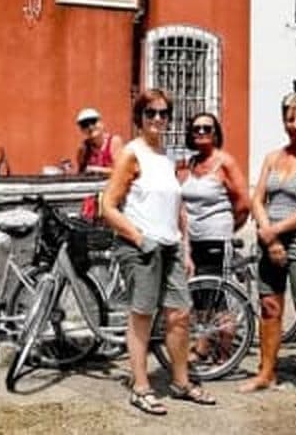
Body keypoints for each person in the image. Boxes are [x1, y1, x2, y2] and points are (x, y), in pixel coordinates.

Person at [102, 88, 216, 416]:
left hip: (170, 247)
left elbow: (177, 206)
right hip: (141, 248)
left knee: (180, 314)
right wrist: (138, 237)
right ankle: (140, 387)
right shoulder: (131, 154)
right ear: (139, 117)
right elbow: (108, 206)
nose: (157, 119)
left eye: (163, 113)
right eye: (150, 113)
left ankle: (181, 382)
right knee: (142, 317)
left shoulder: (167, 156)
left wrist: (186, 247)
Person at [238, 92, 296, 409]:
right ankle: (266, 372)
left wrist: (275, 231)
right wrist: (269, 237)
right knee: (269, 307)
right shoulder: (272, 157)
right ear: (284, 121)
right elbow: (257, 198)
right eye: (291, 118)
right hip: (270, 241)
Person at [180, 112, 250, 276]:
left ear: (215, 134)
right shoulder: (191, 163)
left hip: (215, 240)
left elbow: (244, 205)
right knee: (193, 294)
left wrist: (227, 228)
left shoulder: (225, 163)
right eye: (196, 129)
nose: (201, 132)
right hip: (190, 242)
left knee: (213, 295)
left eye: (207, 128)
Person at [74, 107, 123, 175]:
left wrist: (97, 170)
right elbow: (81, 172)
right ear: (82, 130)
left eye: (93, 122)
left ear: (101, 123)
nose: (90, 127)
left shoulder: (114, 141)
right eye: (85, 125)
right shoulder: (84, 148)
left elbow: (121, 171)